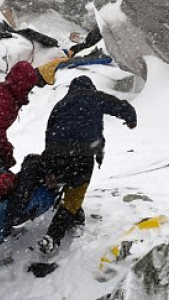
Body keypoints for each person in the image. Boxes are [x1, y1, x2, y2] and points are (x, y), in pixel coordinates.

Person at [27, 76, 137, 255]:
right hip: (82, 154)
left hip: (56, 154)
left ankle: (76, 218)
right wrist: (131, 117)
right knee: (74, 196)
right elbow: (119, 106)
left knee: (69, 187)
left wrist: (49, 164)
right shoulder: (94, 96)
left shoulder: (61, 104)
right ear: (90, 87)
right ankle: (53, 237)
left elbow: (49, 132)